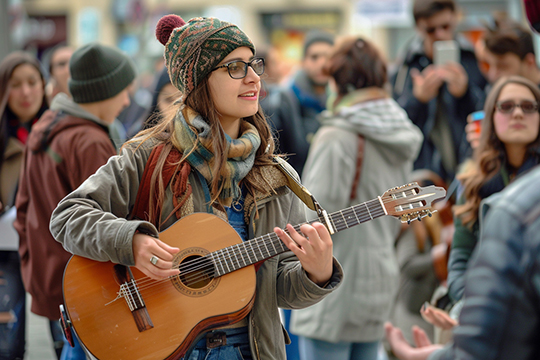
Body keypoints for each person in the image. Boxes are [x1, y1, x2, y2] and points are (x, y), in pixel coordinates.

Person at [49, 14, 343, 360]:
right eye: (234, 67)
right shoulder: (149, 156)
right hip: (168, 348)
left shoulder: (273, 175)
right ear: (199, 82)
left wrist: (318, 272)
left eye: (253, 65)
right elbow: (67, 216)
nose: (253, 78)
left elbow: (275, 290)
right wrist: (132, 242)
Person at [289, 36, 423, 360]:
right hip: (381, 271)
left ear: (340, 82)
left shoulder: (337, 134)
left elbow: (312, 218)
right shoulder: (399, 131)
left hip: (335, 280)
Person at [14, 42, 136, 360]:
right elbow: (108, 221)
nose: (127, 101)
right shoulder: (90, 141)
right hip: (84, 282)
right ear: (103, 92)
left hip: (49, 273)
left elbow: (23, 206)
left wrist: (31, 263)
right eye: (122, 91)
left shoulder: (46, 126)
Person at [385, 162, 540, 360]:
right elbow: (408, 264)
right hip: (413, 304)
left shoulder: (444, 218)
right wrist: (438, 256)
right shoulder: (414, 228)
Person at [446, 75, 540, 303]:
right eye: (506, 106)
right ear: (492, 117)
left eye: (528, 107)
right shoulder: (472, 183)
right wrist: (466, 309)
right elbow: (460, 259)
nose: (518, 113)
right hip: (485, 309)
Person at [391, 0, 487, 185]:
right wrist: (417, 99)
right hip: (422, 174)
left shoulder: (472, 58)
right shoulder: (405, 65)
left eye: (445, 26)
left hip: (467, 169)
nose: (440, 34)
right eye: (431, 30)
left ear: (455, 19)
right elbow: (394, 124)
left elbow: (486, 112)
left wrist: (464, 93)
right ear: (419, 27)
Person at [0, 51, 47, 360]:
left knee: (66, 339)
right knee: (8, 343)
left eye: (32, 82)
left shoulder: (60, 132)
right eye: (16, 84)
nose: (26, 92)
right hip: (5, 250)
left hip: (52, 247)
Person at [263, 30, 334, 175]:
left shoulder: (340, 104)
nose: (322, 63)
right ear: (303, 61)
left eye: (328, 57)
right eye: (314, 57)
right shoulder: (284, 103)